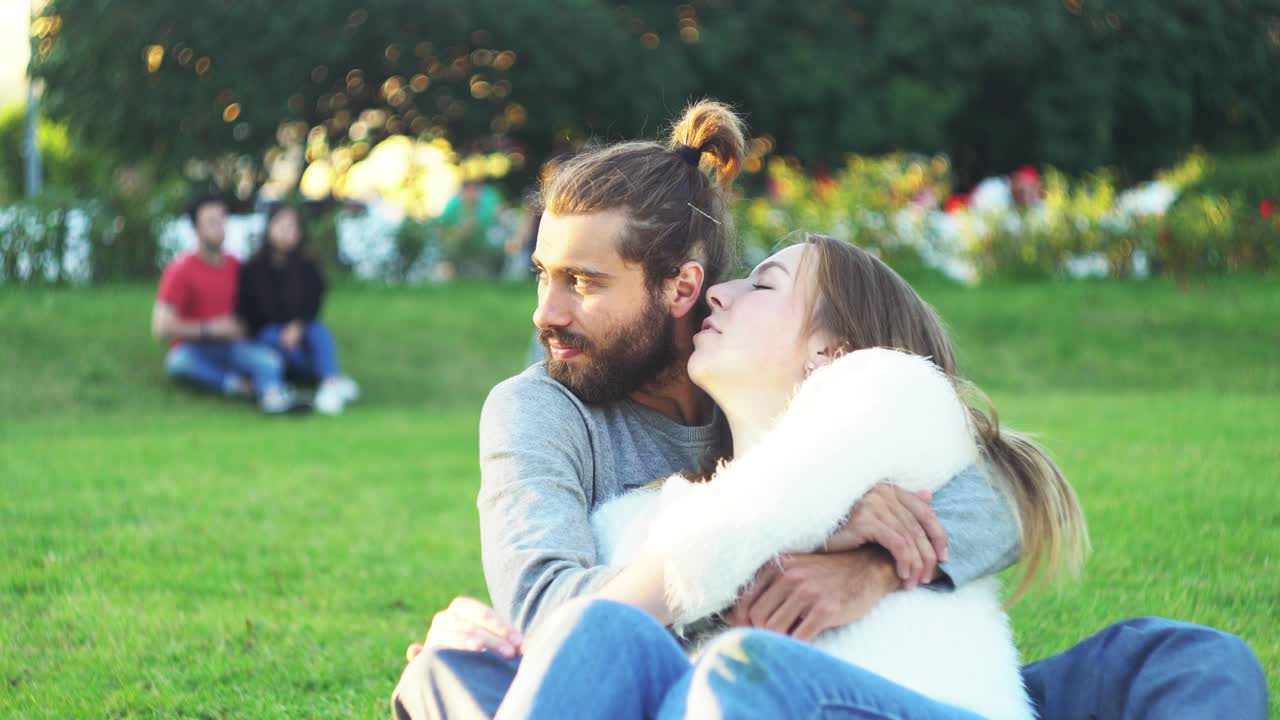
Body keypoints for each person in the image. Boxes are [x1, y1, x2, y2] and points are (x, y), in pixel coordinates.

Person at [392, 102, 1268, 718]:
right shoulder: (541, 411)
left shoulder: (796, 390)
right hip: (684, 677)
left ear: (680, 288)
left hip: (845, 682)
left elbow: (999, 478)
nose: (543, 314)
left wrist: (873, 566)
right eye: (543, 276)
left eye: (583, 283)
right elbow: (557, 616)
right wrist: (816, 531)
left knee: (1189, 658)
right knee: (480, 663)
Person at [152, 193, 302, 414]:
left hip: (234, 345)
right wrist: (210, 329)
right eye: (211, 222)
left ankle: (274, 395)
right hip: (196, 348)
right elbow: (161, 328)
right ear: (195, 228)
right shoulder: (180, 271)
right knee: (179, 363)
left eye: (222, 220)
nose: (219, 227)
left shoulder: (238, 266)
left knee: (268, 360)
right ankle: (238, 387)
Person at [236, 204, 359, 415]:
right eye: (281, 225)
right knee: (274, 338)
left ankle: (330, 383)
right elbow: (251, 312)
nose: (287, 231)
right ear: (269, 227)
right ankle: (330, 378)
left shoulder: (306, 266)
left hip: (302, 331)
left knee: (318, 331)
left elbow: (313, 303)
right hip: (268, 335)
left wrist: (298, 326)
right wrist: (284, 330)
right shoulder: (253, 269)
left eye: (292, 226)